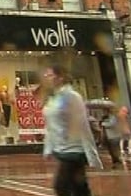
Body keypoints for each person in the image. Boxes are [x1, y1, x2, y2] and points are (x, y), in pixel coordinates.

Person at [42, 64, 102, 196]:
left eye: (50, 75)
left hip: (74, 151)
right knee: (79, 188)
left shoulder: (72, 97)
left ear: (60, 78)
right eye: (46, 75)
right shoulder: (53, 98)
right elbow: (50, 126)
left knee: (61, 186)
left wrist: (92, 155)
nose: (46, 78)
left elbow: (83, 125)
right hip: (62, 150)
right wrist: (48, 148)